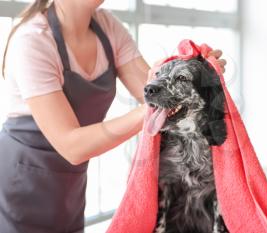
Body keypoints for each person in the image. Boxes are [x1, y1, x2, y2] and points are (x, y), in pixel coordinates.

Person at [0, 0, 227, 232]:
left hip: (70, 185)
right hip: (21, 181)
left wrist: (195, 74)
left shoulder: (107, 26)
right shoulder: (33, 41)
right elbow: (72, 146)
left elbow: (151, 90)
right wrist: (151, 113)